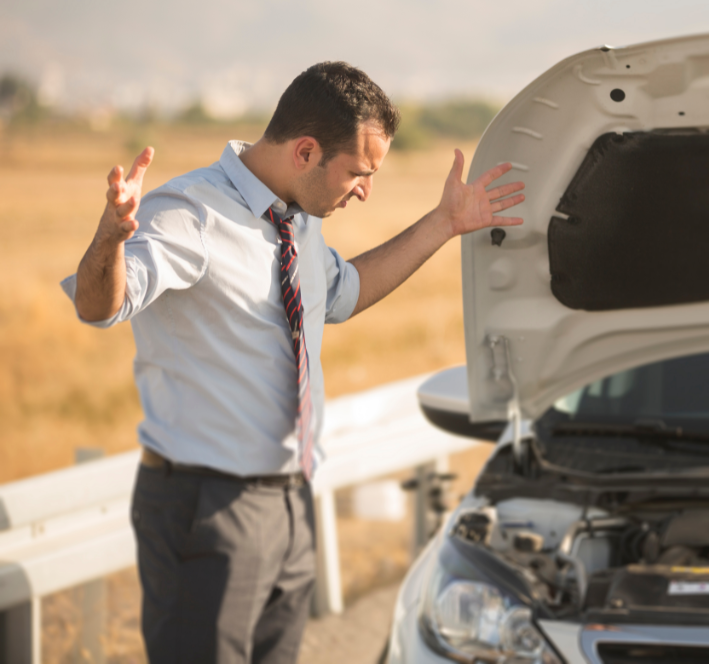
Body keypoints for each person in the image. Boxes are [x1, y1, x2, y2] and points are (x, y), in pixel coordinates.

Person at [61, 61, 524, 663]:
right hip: (208, 508)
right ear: (306, 151)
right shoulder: (190, 212)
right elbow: (101, 307)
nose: (365, 190)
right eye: (359, 173)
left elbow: (344, 292)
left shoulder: (297, 223)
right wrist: (109, 240)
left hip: (290, 500)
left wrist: (445, 224)